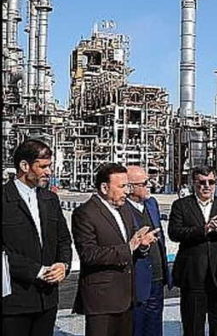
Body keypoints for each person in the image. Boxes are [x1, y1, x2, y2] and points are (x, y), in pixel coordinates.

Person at [71, 163, 159, 336]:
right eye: (122, 186)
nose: (127, 191)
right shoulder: (85, 213)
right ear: (104, 187)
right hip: (101, 300)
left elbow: (132, 244)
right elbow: (89, 254)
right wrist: (129, 248)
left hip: (126, 297)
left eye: (127, 186)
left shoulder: (124, 209)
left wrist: (142, 245)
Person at [2, 139, 72, 336]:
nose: (49, 172)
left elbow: (64, 240)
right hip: (14, 303)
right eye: (43, 166)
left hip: (47, 301)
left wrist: (63, 265)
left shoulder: (50, 199)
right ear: (24, 166)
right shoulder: (5, 199)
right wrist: (38, 271)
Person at [168, 166, 217, 336]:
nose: (206, 186)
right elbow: (174, 233)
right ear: (194, 183)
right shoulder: (181, 205)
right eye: (202, 182)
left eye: (211, 182)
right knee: (193, 324)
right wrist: (204, 229)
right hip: (193, 275)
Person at [123, 166, 171, 336]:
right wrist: (140, 245)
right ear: (129, 187)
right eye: (144, 183)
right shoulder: (122, 209)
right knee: (137, 326)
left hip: (157, 278)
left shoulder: (152, 203)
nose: (149, 185)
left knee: (155, 326)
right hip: (136, 280)